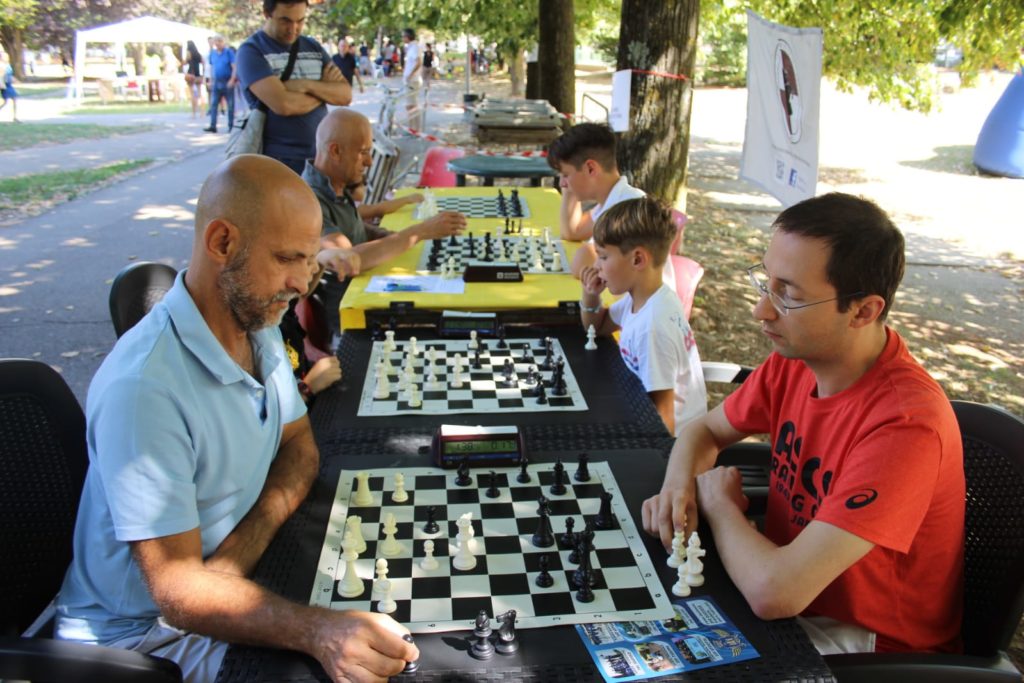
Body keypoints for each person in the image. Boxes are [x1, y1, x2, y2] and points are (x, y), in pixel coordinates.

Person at [54, 154, 418, 683]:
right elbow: (179, 595)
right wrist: (318, 630)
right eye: (287, 258)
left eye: (308, 260)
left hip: (225, 584)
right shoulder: (145, 390)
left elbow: (300, 448)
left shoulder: (257, 321)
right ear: (223, 243)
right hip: (144, 641)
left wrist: (231, 561)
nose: (301, 282)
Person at [642, 193, 965, 655]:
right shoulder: (795, 361)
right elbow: (703, 431)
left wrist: (719, 506)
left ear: (863, 311)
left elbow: (776, 594)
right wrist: (678, 489)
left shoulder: (906, 426)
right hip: (783, 585)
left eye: (788, 294)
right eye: (766, 282)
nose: (761, 311)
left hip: (867, 641)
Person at [300, 107, 466, 334]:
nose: (369, 162)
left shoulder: (335, 182)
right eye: (363, 152)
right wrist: (419, 232)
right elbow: (350, 260)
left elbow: (351, 229)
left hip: (369, 296)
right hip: (349, 321)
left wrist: (386, 236)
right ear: (335, 151)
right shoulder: (309, 202)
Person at [579, 197, 707, 436]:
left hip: (673, 443)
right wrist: (591, 296)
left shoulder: (653, 327)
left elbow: (663, 418)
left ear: (637, 259)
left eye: (603, 256)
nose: (596, 265)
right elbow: (598, 327)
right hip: (640, 410)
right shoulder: (644, 297)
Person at [547, 122, 677, 291]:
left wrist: (571, 182)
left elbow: (583, 263)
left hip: (647, 311)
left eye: (565, 175)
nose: (562, 183)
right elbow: (572, 231)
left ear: (591, 168)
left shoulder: (627, 206)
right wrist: (570, 186)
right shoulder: (612, 198)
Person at [236, 0, 352, 174]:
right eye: (285, 20)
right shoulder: (251, 51)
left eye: (300, 21)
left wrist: (304, 85)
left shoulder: (312, 46)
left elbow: (345, 95)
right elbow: (283, 105)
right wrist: (324, 90)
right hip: (279, 162)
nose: (294, 28)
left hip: (321, 158)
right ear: (267, 14)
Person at [204, 35, 237, 133]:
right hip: (216, 81)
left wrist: (232, 79)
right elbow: (211, 67)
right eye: (216, 41)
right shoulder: (212, 54)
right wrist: (210, 80)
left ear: (223, 42)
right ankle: (213, 125)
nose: (218, 43)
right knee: (214, 104)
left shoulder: (228, 53)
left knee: (230, 105)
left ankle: (231, 125)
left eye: (220, 41)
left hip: (227, 81)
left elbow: (234, 66)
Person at [184, 40, 205, 119]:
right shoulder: (198, 55)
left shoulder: (188, 53)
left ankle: (194, 112)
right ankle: (202, 112)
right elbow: (203, 63)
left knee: (193, 95)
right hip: (198, 74)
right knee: (200, 94)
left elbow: (185, 62)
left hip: (191, 74)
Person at [0, 57, 18, 122]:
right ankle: (14, 117)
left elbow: (10, 74)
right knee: (5, 102)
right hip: (5, 85)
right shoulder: (1, 66)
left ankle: (15, 117)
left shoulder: (7, 65)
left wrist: (13, 79)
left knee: (14, 99)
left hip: (9, 85)